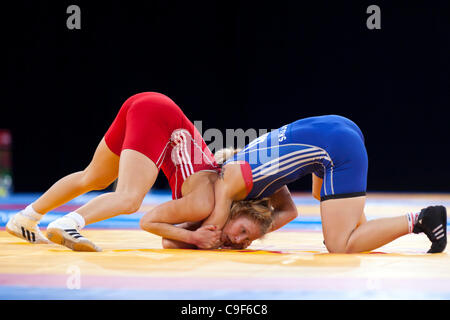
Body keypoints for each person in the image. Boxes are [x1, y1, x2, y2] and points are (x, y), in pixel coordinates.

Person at [6, 92, 222, 251]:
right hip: (158, 114)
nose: (240, 240)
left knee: (92, 177)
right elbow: (149, 222)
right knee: (129, 199)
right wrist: (198, 239)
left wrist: (195, 238)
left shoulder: (208, 194)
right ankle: (67, 223)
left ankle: (26, 217)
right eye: (243, 234)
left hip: (145, 105)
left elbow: (170, 239)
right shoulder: (207, 203)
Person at [199, 115, 447, 253]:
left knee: (338, 245)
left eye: (240, 234)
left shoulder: (231, 182)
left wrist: (196, 234)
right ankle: (363, 232)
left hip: (335, 147)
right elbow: (291, 211)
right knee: (321, 195)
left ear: (233, 210)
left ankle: (422, 219)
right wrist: (251, 233)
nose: (237, 241)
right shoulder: (247, 163)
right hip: (336, 127)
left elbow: (209, 229)